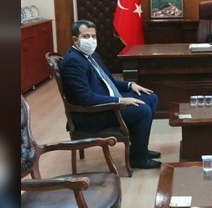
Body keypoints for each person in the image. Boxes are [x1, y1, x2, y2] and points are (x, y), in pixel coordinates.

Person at [60, 20, 161, 169]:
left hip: (106, 102)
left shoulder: (91, 55)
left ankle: (140, 149)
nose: (91, 40)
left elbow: (108, 82)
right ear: (75, 40)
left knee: (151, 98)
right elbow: (85, 98)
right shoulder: (73, 62)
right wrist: (120, 100)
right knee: (143, 111)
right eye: (86, 36)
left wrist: (130, 85)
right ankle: (138, 159)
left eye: (94, 36)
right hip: (91, 114)